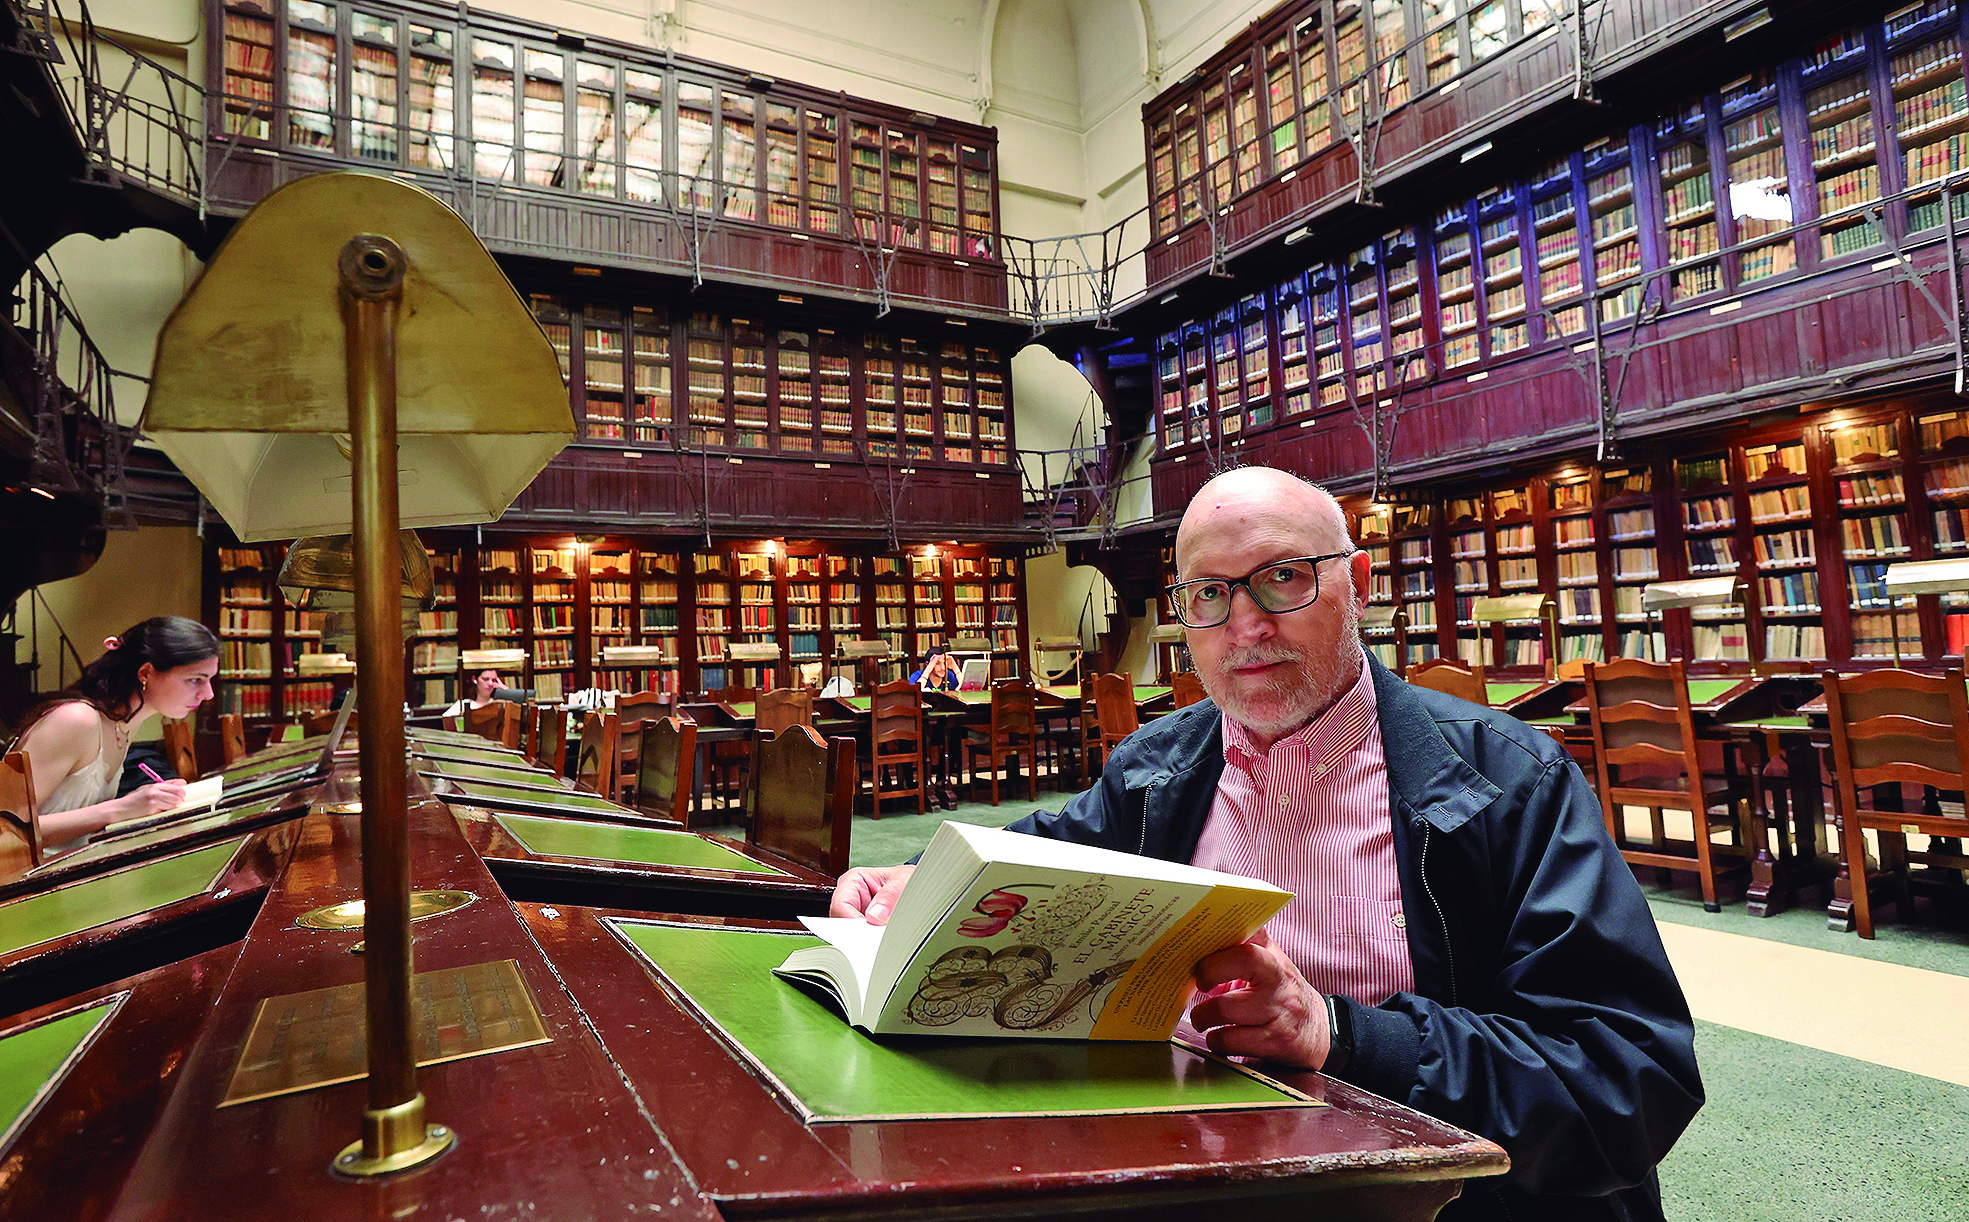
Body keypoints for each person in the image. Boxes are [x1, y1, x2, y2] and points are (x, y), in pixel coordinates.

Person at [833, 466, 1702, 1222]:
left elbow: (1627, 1079)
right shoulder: (1152, 775)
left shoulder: (1509, 783)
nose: (1243, 627)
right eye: (1209, 594)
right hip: (1194, 1178)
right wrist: (914, 881)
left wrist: (1335, 1032)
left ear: (1356, 582)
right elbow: (1030, 861)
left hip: (1442, 1202)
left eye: (1281, 578)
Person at [11, 616, 219, 851]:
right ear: (146, 673)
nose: (208, 694)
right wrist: (122, 808)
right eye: (195, 680)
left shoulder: (124, 723)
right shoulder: (78, 720)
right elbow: (6, 832)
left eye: (209, 680)